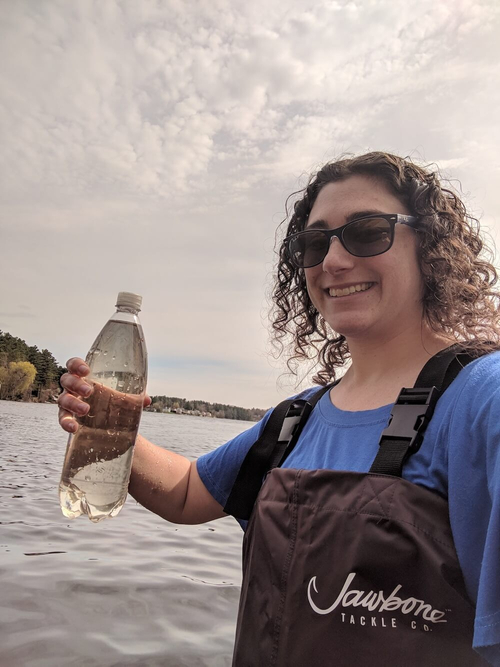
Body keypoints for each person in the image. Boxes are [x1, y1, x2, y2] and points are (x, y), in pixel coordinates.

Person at [58, 152, 500, 666]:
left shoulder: (482, 399)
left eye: (366, 232)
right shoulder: (295, 420)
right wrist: (106, 427)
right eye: (314, 244)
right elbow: (184, 494)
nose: (333, 260)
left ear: (429, 246)